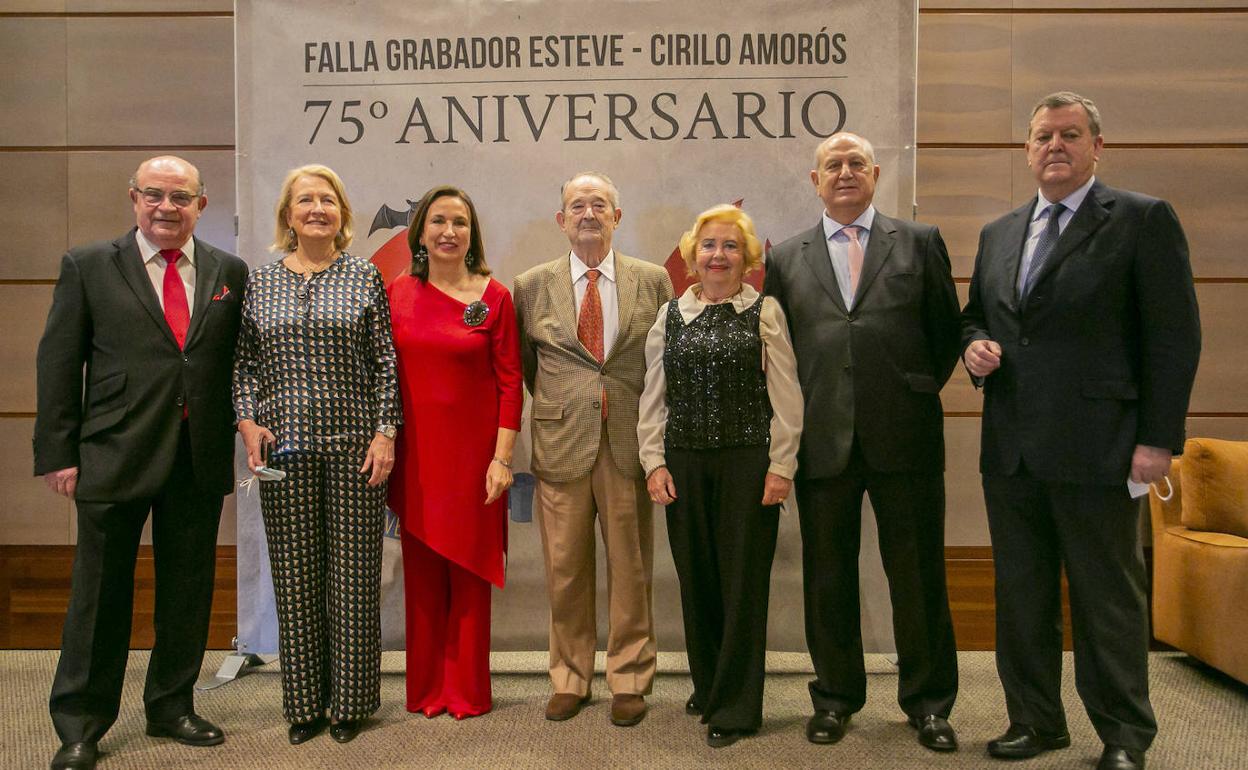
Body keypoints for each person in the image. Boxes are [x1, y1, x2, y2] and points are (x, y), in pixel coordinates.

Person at [962, 91, 1201, 770]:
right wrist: (974, 348)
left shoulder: (1141, 220)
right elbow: (976, 315)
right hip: (1011, 448)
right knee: (1023, 597)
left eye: (1069, 134)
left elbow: (1173, 339)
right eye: (1042, 136)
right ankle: (1036, 722)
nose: (1054, 146)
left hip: (1103, 446)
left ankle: (1125, 736)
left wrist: (1158, 440)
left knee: (1108, 600)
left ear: (1098, 145)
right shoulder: (1000, 232)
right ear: (1028, 149)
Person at [33, 156, 247, 770]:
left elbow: (231, 363)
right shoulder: (89, 265)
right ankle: (81, 723)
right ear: (133, 198)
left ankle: (171, 706)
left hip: (195, 456)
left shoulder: (228, 271)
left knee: (188, 590)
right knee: (99, 596)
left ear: (201, 205)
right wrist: (58, 451)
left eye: (180, 198)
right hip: (112, 453)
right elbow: (58, 363)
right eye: (154, 195)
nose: (166, 208)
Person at [764, 132, 963, 752]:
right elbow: (780, 351)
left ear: (875, 173)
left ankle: (929, 704)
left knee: (917, 575)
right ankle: (835, 697)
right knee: (828, 576)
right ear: (814, 179)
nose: (845, 173)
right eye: (833, 165)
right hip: (822, 436)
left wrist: (909, 386)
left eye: (856, 164)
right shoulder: (787, 256)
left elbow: (944, 333)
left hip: (905, 434)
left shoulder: (920, 242)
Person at [232, 164, 400, 746]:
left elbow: (385, 364)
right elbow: (244, 364)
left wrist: (386, 433)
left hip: (356, 447)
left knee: (354, 579)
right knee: (296, 579)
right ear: (288, 214)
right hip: (285, 449)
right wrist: (247, 419)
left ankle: (350, 703)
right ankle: (304, 703)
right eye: (305, 200)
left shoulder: (364, 277)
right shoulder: (260, 281)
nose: (317, 209)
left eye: (328, 200)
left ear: (342, 214)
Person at [637, 205, 803, 748]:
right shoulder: (670, 316)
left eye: (731, 246)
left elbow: (787, 398)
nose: (718, 255)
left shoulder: (765, 313)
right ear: (692, 255)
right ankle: (709, 685)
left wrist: (781, 466)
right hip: (684, 462)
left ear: (748, 258)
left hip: (748, 465)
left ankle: (735, 705)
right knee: (698, 579)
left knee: (743, 584)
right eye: (709, 245)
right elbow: (653, 398)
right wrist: (654, 461)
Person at [513, 171, 674, 727]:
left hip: (628, 445)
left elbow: (663, 365)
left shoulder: (653, 281)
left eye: (599, 205)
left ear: (616, 217)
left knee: (631, 568)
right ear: (561, 220)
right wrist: (568, 405)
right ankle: (571, 677)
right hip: (561, 446)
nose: (588, 214)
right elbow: (528, 369)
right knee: (565, 571)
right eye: (576, 206)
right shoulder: (531, 285)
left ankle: (629, 679)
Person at [387, 185, 523, 719]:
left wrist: (502, 458)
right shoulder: (395, 292)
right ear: (419, 231)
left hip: (475, 460)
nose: (449, 231)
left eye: (460, 222)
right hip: (417, 457)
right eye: (438, 221)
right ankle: (424, 690)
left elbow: (512, 384)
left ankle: (466, 690)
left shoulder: (496, 298)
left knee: (468, 575)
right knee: (421, 576)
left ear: (473, 233)